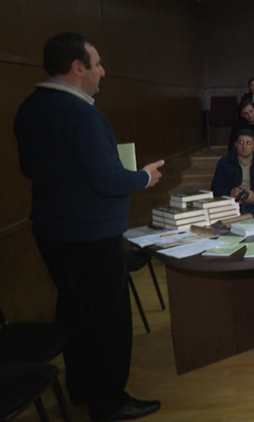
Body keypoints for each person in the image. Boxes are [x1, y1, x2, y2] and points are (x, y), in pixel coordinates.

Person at [13, 32, 163, 421]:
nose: (102, 71)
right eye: (97, 64)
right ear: (77, 68)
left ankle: (80, 387)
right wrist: (144, 177)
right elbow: (108, 179)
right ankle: (109, 402)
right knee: (108, 321)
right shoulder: (81, 114)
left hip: (52, 233)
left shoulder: (30, 107)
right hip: (92, 236)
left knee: (75, 313)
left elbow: (29, 167)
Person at [212, 129, 254, 216]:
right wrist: (230, 192)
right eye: (241, 142)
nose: (244, 147)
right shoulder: (225, 162)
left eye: (248, 143)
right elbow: (215, 187)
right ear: (236, 145)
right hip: (231, 205)